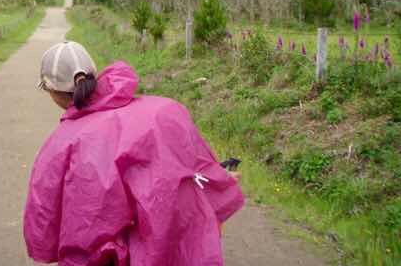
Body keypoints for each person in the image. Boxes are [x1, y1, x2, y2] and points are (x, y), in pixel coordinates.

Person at [24, 41, 244, 266]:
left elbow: (44, 220)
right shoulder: (166, 110)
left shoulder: (62, 145)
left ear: (53, 91)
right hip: (177, 249)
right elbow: (197, 169)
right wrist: (220, 183)